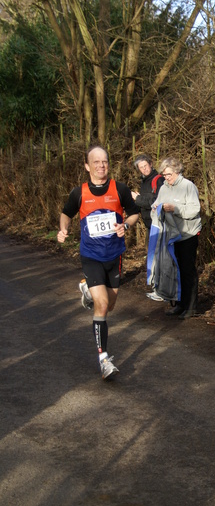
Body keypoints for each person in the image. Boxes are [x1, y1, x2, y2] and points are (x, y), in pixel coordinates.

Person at [57, 146, 140, 380]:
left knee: (110, 305)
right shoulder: (79, 193)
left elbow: (133, 213)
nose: (101, 165)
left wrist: (126, 225)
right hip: (91, 255)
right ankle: (104, 359)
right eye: (96, 162)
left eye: (104, 161)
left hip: (115, 255)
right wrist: (63, 229)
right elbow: (66, 213)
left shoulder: (119, 189)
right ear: (87, 166)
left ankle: (86, 289)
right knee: (102, 305)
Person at [152, 156, 202, 319]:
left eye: (169, 175)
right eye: (164, 175)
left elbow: (194, 210)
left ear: (177, 171)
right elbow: (157, 204)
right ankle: (179, 304)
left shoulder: (188, 186)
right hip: (171, 236)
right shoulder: (164, 188)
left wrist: (175, 208)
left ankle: (191, 307)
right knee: (175, 270)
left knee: (188, 270)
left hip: (188, 235)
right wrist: (156, 208)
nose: (166, 178)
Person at [131, 154, 164, 302]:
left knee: (158, 257)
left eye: (145, 166)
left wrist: (137, 199)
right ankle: (157, 287)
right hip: (150, 225)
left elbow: (156, 200)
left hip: (158, 225)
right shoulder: (144, 182)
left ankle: (161, 290)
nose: (144, 169)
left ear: (151, 164)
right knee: (153, 257)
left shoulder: (159, 180)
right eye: (141, 167)